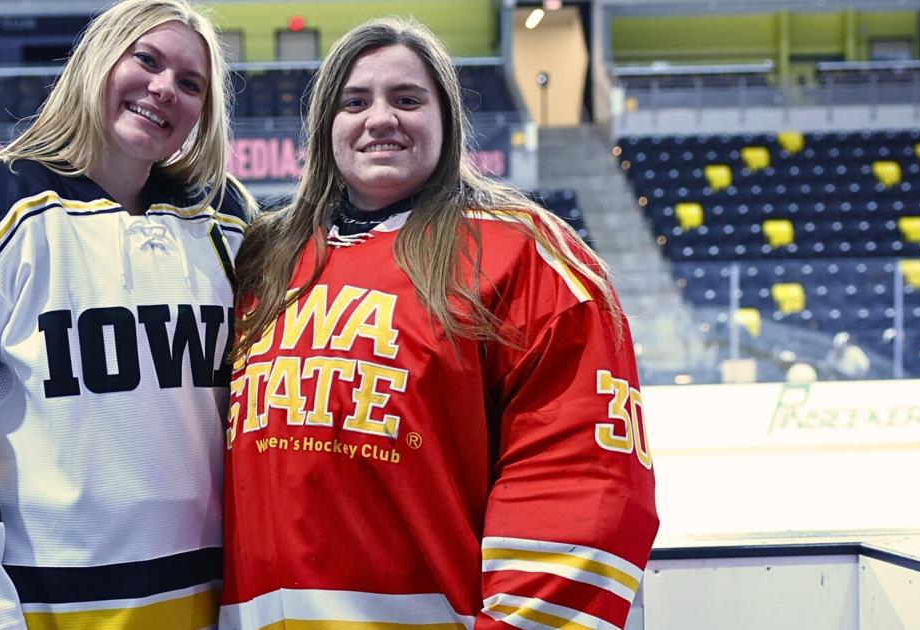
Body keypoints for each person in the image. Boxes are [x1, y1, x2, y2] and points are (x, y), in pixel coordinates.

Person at [221, 17, 658, 629]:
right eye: (354, 102)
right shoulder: (264, 259)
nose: (380, 119)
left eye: (407, 100)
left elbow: (585, 479)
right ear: (325, 127)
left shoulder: (525, 254)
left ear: (446, 120)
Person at [0, 1, 252, 627]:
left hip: (213, 609)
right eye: (146, 60)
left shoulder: (227, 219)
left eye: (191, 84)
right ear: (98, 61)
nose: (164, 89)